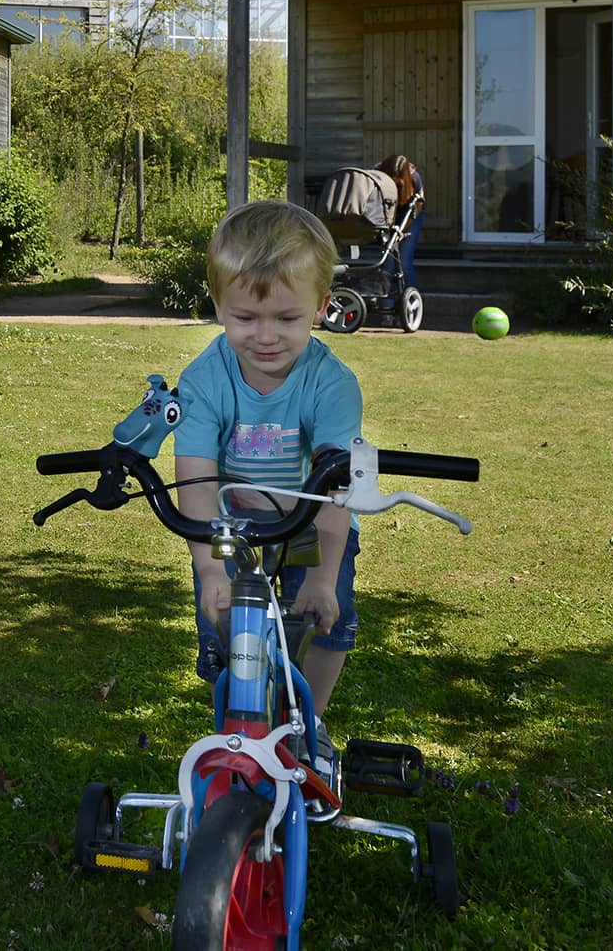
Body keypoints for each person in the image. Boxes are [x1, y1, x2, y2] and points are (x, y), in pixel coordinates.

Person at [173, 201, 364, 757]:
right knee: (224, 627)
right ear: (218, 307)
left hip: (311, 523)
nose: (266, 337)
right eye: (246, 318)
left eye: (287, 318)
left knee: (327, 615)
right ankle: (239, 725)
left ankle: (311, 725)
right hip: (228, 527)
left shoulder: (331, 384)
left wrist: (323, 577)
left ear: (321, 308)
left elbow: (336, 485)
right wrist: (209, 567)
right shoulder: (204, 379)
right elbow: (196, 480)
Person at [379, 153, 425, 295]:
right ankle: (386, 302)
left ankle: (409, 300)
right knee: (387, 263)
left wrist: (401, 230)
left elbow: (417, 206)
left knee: (404, 262)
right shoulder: (376, 175)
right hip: (387, 218)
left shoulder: (414, 178)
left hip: (410, 216)